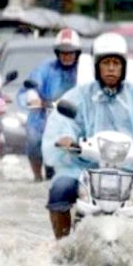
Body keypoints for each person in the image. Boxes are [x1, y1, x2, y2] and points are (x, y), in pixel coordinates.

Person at [41, 32, 133, 239]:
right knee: (60, 189)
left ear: (123, 67)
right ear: (97, 67)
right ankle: (62, 245)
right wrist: (66, 138)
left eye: (116, 63)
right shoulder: (80, 95)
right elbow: (65, 120)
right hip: (85, 168)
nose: (111, 68)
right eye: (106, 63)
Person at [18, 28, 82, 181]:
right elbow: (32, 85)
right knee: (34, 138)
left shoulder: (84, 69)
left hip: (75, 117)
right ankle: (37, 176)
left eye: (70, 52)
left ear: (77, 53)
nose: (66, 56)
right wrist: (33, 96)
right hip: (45, 116)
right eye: (63, 52)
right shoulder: (46, 68)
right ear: (57, 53)